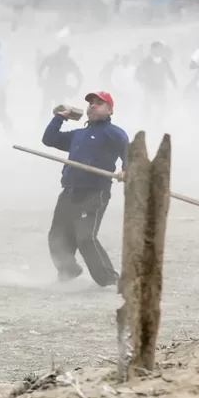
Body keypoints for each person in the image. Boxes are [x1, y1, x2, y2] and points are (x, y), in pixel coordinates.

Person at [41, 91, 127, 287]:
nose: (93, 106)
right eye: (91, 103)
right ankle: (68, 270)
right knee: (57, 236)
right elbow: (49, 139)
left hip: (95, 193)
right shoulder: (78, 134)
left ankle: (110, 280)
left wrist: (127, 169)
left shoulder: (114, 133)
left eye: (99, 103)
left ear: (110, 110)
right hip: (70, 191)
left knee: (85, 237)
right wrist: (60, 117)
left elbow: (127, 151)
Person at [135, 42, 177, 122]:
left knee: (163, 107)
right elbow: (138, 73)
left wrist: (174, 83)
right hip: (149, 88)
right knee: (148, 107)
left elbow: (170, 73)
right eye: (157, 49)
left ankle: (158, 122)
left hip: (161, 88)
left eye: (161, 49)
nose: (159, 51)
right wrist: (142, 82)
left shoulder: (165, 61)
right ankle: (147, 123)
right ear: (152, 50)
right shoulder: (146, 61)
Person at [38, 45, 83, 119]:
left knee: (59, 108)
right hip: (50, 85)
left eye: (65, 53)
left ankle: (54, 122)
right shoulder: (51, 58)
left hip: (60, 87)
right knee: (46, 107)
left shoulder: (69, 61)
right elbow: (40, 70)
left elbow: (79, 77)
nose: (63, 55)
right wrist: (41, 80)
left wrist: (77, 89)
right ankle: (43, 121)